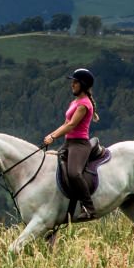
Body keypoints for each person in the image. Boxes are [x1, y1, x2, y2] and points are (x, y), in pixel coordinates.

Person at [42, 67, 100, 221]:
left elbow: (71, 125)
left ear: (83, 85)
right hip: (69, 143)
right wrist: (53, 135)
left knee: (74, 173)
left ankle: (89, 208)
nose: (72, 84)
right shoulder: (75, 102)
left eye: (75, 82)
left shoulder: (84, 104)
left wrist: (52, 137)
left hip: (79, 145)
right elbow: (65, 123)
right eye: (72, 82)